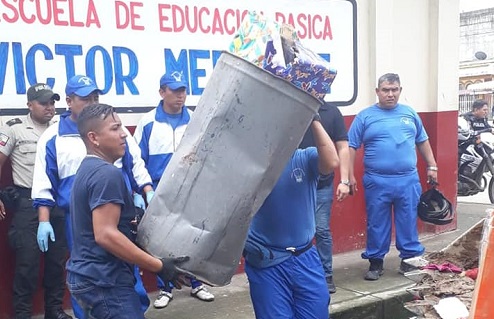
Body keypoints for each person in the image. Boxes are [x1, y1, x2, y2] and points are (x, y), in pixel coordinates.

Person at [31, 75, 154, 318]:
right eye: (85, 98)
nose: (91, 102)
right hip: (77, 217)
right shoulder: (54, 136)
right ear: (69, 101)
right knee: (91, 273)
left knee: (126, 270)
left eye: (95, 97)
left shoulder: (115, 132)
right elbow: (43, 180)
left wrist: (145, 191)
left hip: (118, 210)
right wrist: (44, 220)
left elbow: (135, 164)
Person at [66, 103, 188, 319]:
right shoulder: (107, 174)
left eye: (122, 126)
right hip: (105, 282)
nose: (123, 134)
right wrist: (158, 266)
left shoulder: (87, 168)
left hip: (89, 278)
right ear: (94, 138)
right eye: (115, 128)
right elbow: (105, 235)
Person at [243, 114, 339, 319]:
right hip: (267, 261)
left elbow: (331, 161)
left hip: (305, 257)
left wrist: (313, 118)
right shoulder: (249, 168)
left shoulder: (304, 158)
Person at [133, 71, 215, 309]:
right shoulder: (148, 122)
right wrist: (141, 191)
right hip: (159, 191)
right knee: (162, 240)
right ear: (162, 92)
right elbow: (138, 160)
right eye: (175, 91)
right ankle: (166, 287)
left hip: (192, 189)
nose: (180, 96)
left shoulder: (195, 119)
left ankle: (197, 283)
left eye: (183, 91)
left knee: (194, 236)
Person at [348, 73, 438, 281]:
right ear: (377, 92)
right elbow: (351, 146)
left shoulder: (409, 113)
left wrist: (432, 166)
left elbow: (422, 140)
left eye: (394, 90)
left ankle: (409, 260)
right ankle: (376, 263)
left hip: (408, 180)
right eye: (386, 90)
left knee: (407, 220)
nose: (390, 94)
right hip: (376, 181)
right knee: (377, 223)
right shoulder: (365, 116)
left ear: (400, 90)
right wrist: (349, 175)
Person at [0, 84, 72, 319]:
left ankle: (54, 311)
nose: (50, 107)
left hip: (57, 203)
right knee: (27, 266)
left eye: (52, 102)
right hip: (27, 204)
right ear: (29, 105)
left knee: (57, 263)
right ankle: (22, 315)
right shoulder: (14, 129)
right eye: (43, 103)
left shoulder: (62, 127)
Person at [299, 102, 351, 293]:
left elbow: (343, 147)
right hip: (295, 184)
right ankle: (300, 276)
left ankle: (326, 275)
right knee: (297, 231)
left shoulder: (332, 112)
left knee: (320, 230)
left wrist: (344, 180)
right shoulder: (293, 107)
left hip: (322, 184)